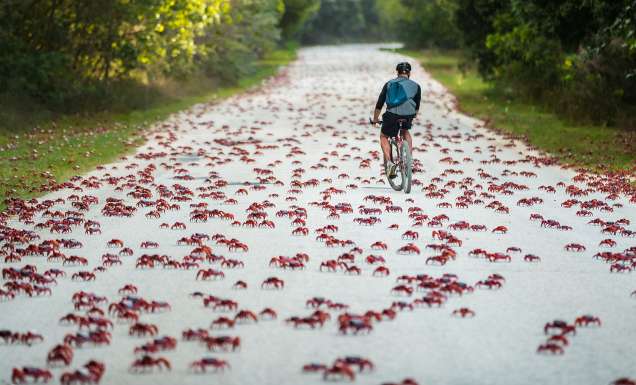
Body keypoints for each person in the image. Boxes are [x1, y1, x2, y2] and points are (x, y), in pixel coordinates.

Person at [372, 62, 421, 178]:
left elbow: (380, 103)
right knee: (405, 131)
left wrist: (375, 119)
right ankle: (409, 160)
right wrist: (412, 116)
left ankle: (390, 163)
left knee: (384, 136)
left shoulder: (389, 84)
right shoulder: (416, 86)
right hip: (408, 115)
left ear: (397, 72)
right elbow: (417, 106)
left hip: (392, 115)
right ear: (409, 73)